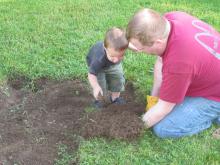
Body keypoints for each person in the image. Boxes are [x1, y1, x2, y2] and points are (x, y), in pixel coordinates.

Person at [126, 8, 220, 138]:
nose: (140, 51)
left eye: (141, 48)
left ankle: (213, 115)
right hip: (208, 73)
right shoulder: (172, 19)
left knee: (164, 128)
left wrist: (134, 128)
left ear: (158, 42)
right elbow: (161, 61)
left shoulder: (179, 63)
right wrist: (153, 99)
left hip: (215, 95)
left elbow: (164, 107)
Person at [86, 27, 128, 108]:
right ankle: (99, 101)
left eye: (121, 56)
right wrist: (95, 86)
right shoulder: (98, 59)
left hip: (112, 66)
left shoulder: (121, 47)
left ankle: (115, 98)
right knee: (100, 85)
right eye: (112, 56)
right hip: (99, 68)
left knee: (118, 78)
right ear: (105, 49)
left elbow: (127, 43)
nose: (116, 60)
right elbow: (91, 74)